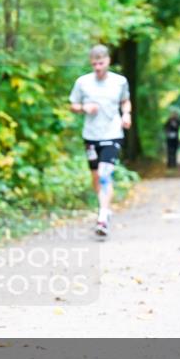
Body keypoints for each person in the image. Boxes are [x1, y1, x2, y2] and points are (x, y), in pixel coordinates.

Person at [69, 44, 131, 237]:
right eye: (95, 63)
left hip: (112, 133)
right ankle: (103, 206)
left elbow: (125, 100)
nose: (98, 67)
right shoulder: (82, 82)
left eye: (101, 63)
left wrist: (126, 114)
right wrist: (83, 108)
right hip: (91, 135)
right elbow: (73, 105)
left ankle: (102, 216)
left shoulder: (120, 82)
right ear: (91, 62)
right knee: (96, 177)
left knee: (105, 174)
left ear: (108, 61)